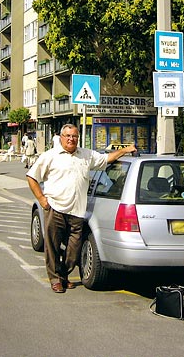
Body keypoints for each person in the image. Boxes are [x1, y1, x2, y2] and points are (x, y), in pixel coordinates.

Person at [26, 124, 136, 293]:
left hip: (77, 211)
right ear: (61, 137)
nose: (71, 139)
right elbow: (32, 176)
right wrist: (42, 199)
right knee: (53, 247)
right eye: (68, 136)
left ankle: (63, 274)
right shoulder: (50, 156)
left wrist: (125, 150)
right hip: (55, 208)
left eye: (74, 136)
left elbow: (106, 159)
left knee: (74, 251)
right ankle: (55, 279)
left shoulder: (86, 155)